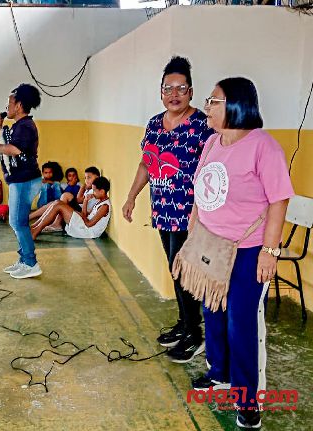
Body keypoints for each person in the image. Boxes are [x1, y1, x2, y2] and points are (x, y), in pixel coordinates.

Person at [189, 77, 293, 429]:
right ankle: (219, 372)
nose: (207, 106)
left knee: (241, 321)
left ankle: (248, 399)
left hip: (248, 250)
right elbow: (201, 189)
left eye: (213, 101)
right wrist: (194, 226)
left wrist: (270, 251)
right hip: (211, 246)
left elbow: (279, 201)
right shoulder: (212, 142)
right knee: (212, 309)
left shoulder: (263, 146)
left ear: (236, 105)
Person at [122, 56, 214, 363]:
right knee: (176, 271)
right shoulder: (153, 124)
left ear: (191, 92)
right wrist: (132, 196)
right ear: (161, 92)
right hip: (162, 209)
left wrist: (203, 212)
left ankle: (195, 334)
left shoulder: (202, 125)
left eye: (181, 88)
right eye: (168, 88)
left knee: (184, 272)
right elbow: (147, 164)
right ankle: (186, 323)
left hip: (191, 214)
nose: (174, 94)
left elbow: (213, 171)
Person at [0, 83, 43, 279]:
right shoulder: (19, 125)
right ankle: (24, 260)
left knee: (18, 222)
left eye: (9, 103)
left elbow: (14, 149)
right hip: (21, 180)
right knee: (18, 222)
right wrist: (0, 128)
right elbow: (10, 144)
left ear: (19, 105)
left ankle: (31, 263)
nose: (7, 107)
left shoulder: (26, 126)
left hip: (24, 181)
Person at [32, 176, 111, 240]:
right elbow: (85, 215)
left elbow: (89, 224)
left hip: (87, 232)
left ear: (102, 191)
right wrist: (85, 201)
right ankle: (35, 226)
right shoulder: (99, 202)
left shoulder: (104, 206)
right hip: (84, 225)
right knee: (57, 202)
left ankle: (36, 230)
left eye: (94, 190)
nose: (93, 193)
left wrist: (79, 214)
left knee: (59, 205)